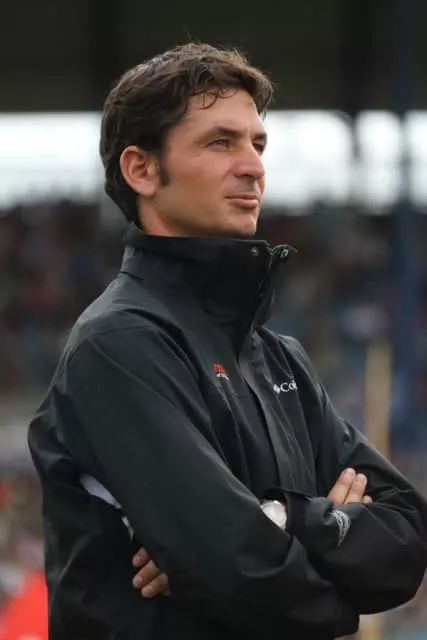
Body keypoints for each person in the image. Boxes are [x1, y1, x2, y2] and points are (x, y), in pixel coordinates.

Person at [28, 43, 427, 640]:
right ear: (141, 170)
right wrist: (338, 579)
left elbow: (407, 537)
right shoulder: (117, 344)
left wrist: (284, 518)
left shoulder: (280, 358)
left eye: (257, 144)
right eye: (221, 143)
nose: (253, 167)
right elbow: (238, 567)